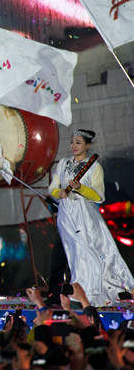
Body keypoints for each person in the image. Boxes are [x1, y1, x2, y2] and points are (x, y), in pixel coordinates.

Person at [48, 128, 134, 305]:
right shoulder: (63, 163)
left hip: (86, 217)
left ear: (87, 145)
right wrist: (59, 192)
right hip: (66, 216)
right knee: (65, 252)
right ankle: (57, 293)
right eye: (72, 142)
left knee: (89, 252)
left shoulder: (94, 167)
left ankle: (88, 290)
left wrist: (81, 188)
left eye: (78, 142)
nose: (73, 145)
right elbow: (52, 187)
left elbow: (99, 196)